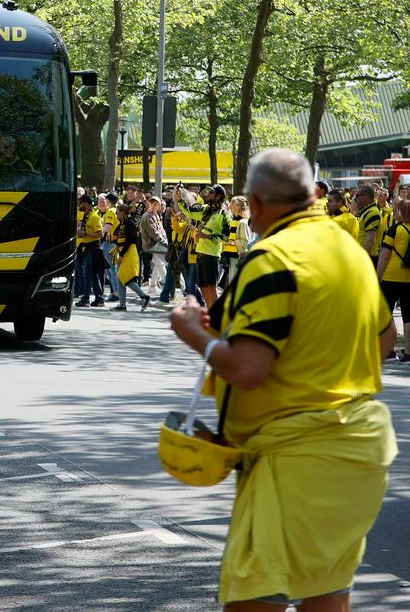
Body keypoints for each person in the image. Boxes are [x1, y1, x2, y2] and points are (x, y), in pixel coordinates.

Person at [169, 148, 396, 610]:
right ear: (314, 194)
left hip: (294, 461)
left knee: (257, 594)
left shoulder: (271, 258)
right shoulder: (349, 252)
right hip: (357, 452)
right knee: (326, 593)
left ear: (253, 205)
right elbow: (385, 339)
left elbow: (248, 370)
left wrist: (193, 332)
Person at [376, 197, 410, 362]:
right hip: (409, 279)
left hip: (392, 277)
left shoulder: (395, 230)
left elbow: (384, 255)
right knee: (409, 316)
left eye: (397, 210)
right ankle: (409, 352)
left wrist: (377, 275)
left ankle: (389, 351)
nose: (394, 212)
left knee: (386, 313)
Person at [111, 203, 150, 311]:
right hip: (123, 252)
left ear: (123, 213)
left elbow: (130, 240)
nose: (116, 214)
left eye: (118, 212)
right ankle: (122, 304)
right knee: (120, 278)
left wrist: (122, 254)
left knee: (126, 278)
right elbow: (117, 239)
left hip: (129, 253)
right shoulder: (122, 223)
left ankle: (144, 297)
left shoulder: (129, 223)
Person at [73, 194, 103, 308]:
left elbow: (100, 234)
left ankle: (85, 299)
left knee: (87, 274)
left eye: (80, 203)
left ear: (86, 203)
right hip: (87, 247)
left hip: (93, 248)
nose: (79, 205)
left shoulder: (94, 216)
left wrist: (85, 234)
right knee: (93, 274)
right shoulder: (87, 215)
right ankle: (99, 298)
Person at [140, 196, 168, 295]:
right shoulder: (147, 216)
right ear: (149, 204)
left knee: (158, 264)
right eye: (153, 203)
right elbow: (154, 233)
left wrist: (165, 240)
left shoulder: (155, 215)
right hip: (151, 245)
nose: (154, 206)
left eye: (156, 204)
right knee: (161, 264)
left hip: (156, 244)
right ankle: (166, 284)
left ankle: (152, 286)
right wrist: (165, 243)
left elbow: (161, 230)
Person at [353, 185, 383, 266]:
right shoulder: (366, 212)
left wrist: (359, 257)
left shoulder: (372, 213)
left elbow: (370, 240)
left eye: (357, 195)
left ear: (365, 196)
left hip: (368, 257)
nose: (355, 199)